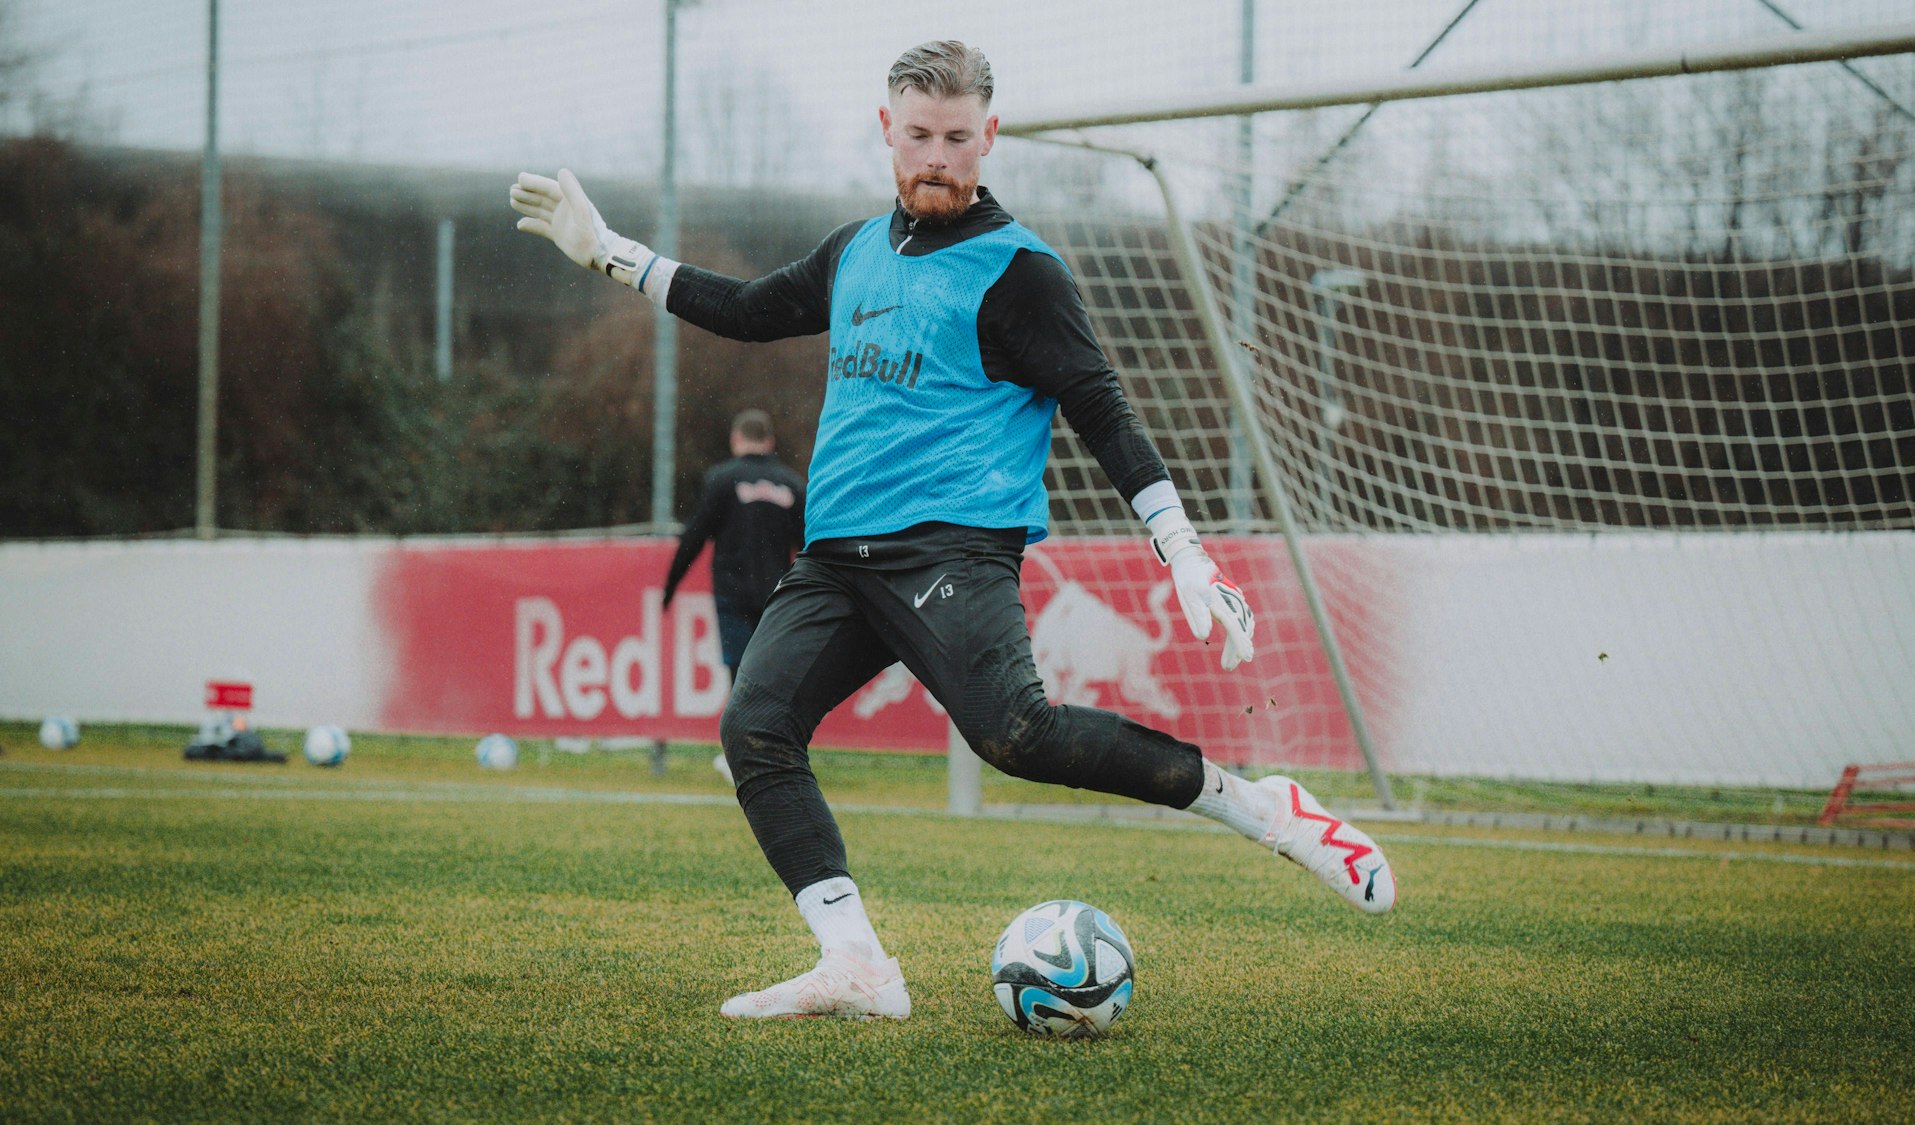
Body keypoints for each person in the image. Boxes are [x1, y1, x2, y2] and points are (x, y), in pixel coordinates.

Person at [509, 38, 1395, 1023]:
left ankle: (1262, 808)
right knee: (753, 729)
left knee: (1015, 736)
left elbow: (1101, 407)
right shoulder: (852, 250)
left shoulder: (1019, 271)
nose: (937, 155)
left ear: (989, 136)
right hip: (834, 558)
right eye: (919, 135)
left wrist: (1181, 549)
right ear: (886, 130)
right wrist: (609, 253)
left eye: (957, 138)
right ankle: (856, 965)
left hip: (951, 551)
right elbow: (749, 309)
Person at [660, 409, 806, 678]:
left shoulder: (722, 480)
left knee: (740, 676)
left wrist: (670, 587)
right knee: (771, 676)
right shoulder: (792, 485)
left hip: (732, 594)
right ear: (770, 442)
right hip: (776, 596)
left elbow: (694, 538)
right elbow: (810, 548)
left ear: (736, 439)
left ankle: (743, 719)